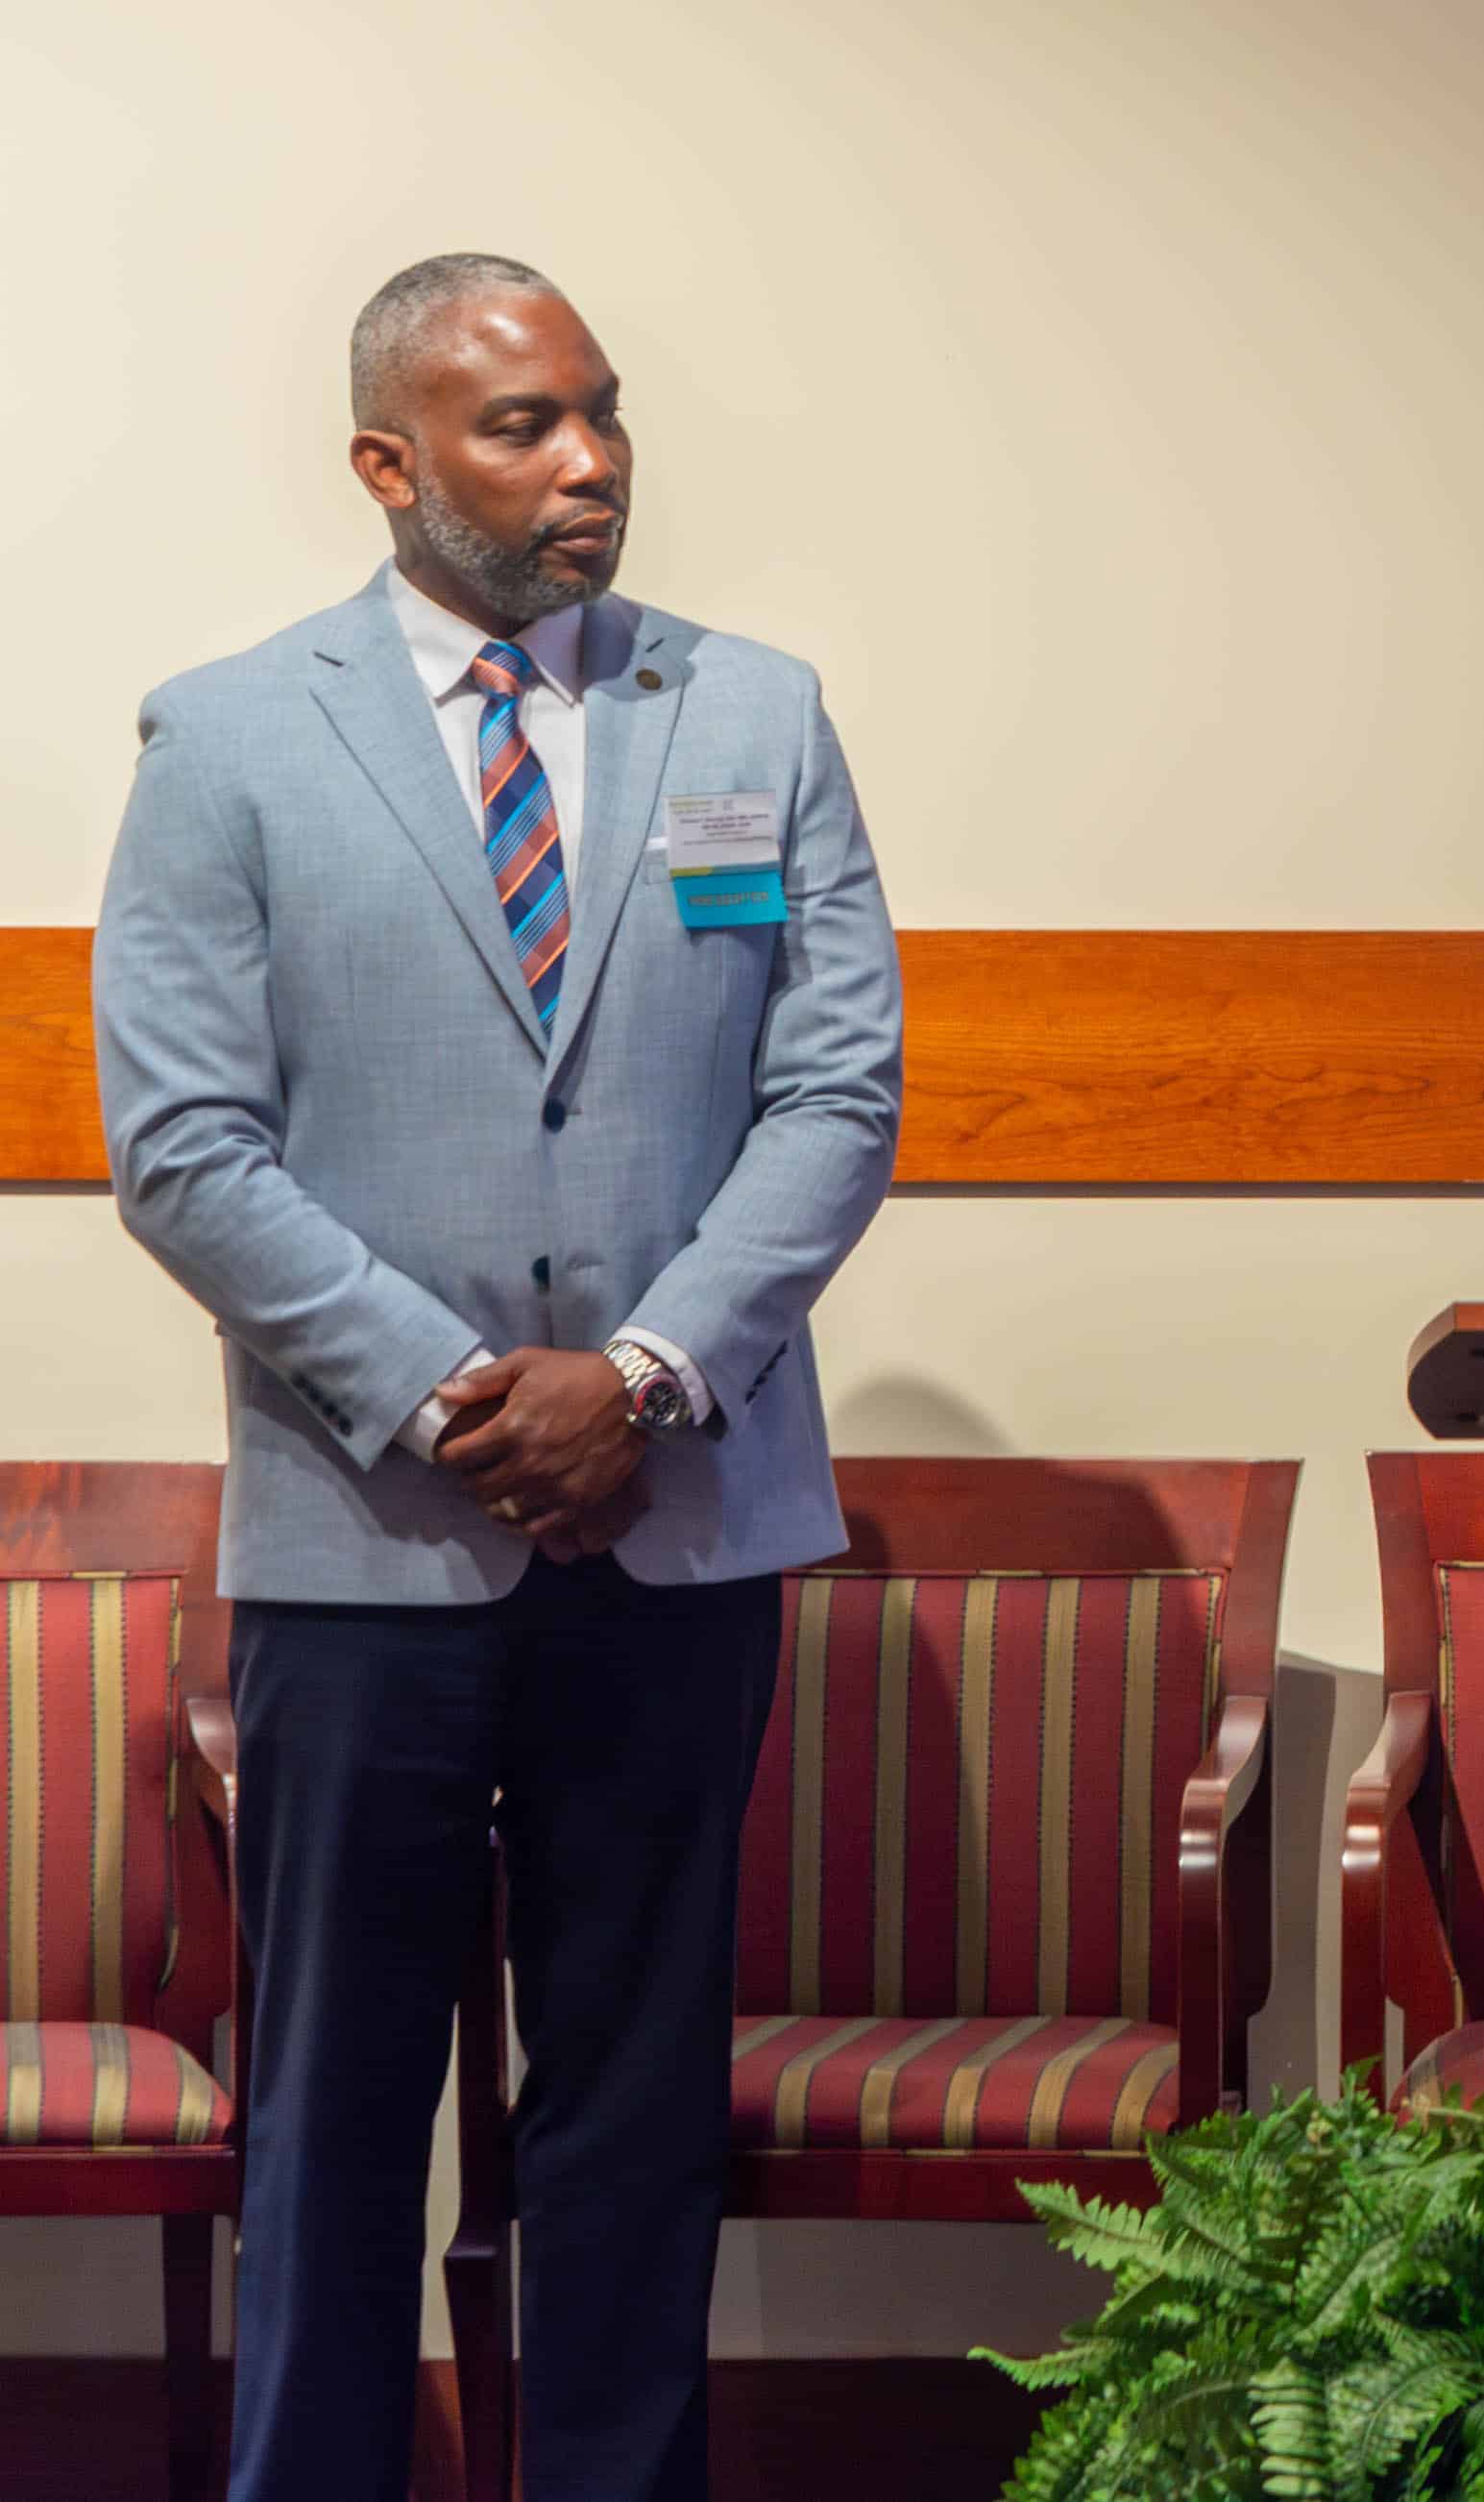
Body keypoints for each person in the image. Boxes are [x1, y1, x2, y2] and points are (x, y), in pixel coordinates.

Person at [92, 252, 902, 2502]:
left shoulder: (757, 716)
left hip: (679, 1524)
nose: (591, 465)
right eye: (523, 426)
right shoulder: (228, 737)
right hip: (367, 1544)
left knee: (630, 2109)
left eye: (603, 414)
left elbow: (836, 1098)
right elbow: (178, 1147)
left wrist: (634, 1380)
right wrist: (471, 1395)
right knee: (336, 2105)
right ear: (387, 462)